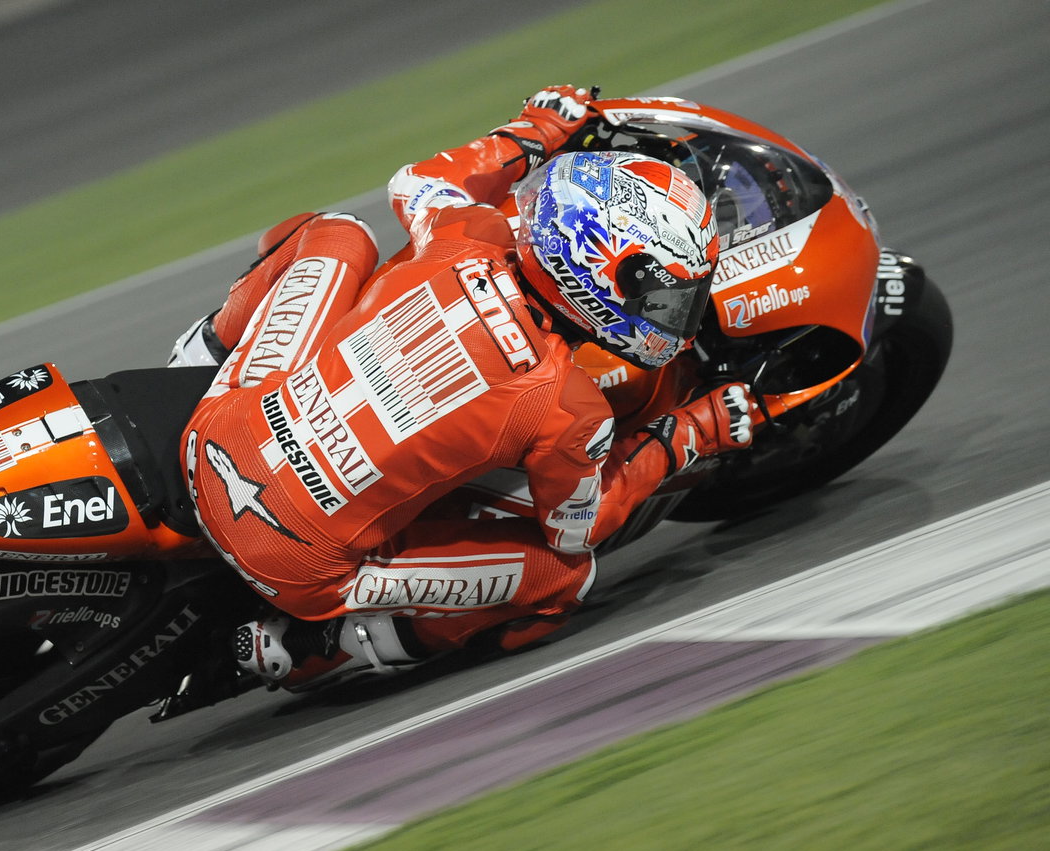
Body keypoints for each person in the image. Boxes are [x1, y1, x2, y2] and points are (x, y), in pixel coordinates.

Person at [176, 86, 759, 689]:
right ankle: (313, 645)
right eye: (662, 296)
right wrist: (691, 434)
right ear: (597, 275)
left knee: (337, 234)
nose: (672, 315)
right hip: (293, 563)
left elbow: (415, 181)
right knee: (563, 577)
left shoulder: (466, 233)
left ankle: (192, 361)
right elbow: (579, 527)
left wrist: (538, 129)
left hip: (210, 436)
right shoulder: (567, 406)